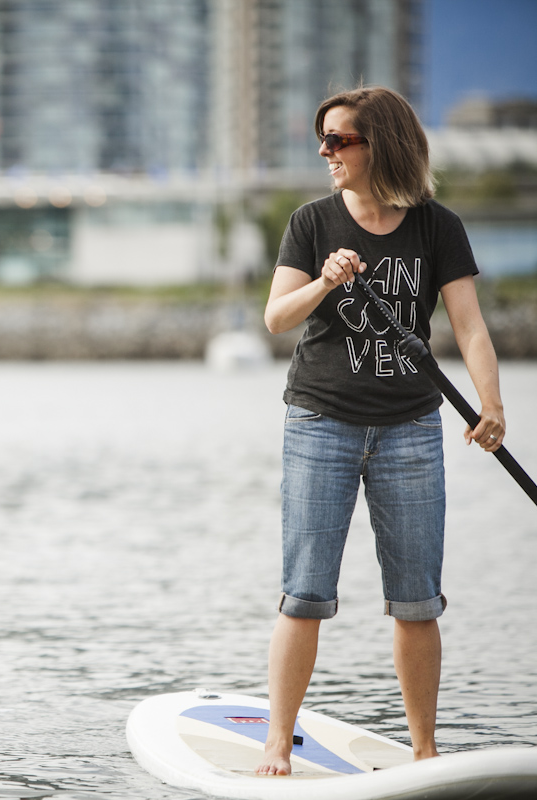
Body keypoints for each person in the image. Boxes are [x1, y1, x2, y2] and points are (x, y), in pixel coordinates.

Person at [257, 86, 505, 775]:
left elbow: (469, 324)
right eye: (323, 139)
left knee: (417, 599)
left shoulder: (436, 227)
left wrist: (492, 403)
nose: (325, 151)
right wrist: (326, 283)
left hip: (411, 429)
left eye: (340, 140)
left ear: (381, 146)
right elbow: (276, 317)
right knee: (304, 592)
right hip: (321, 421)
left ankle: (425, 750)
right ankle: (277, 745)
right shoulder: (312, 222)